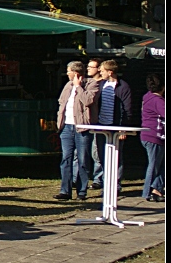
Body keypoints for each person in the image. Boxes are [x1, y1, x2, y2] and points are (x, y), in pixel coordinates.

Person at [54, 60, 99, 201]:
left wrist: (79, 87)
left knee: (83, 159)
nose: (67, 73)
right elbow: (62, 103)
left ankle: (82, 191)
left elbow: (88, 101)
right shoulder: (67, 85)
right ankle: (65, 190)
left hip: (82, 127)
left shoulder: (92, 84)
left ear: (76, 73)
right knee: (66, 158)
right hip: (66, 127)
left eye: (69, 71)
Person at [94, 59, 133, 192]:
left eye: (103, 70)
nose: (100, 72)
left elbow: (127, 109)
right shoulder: (100, 85)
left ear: (110, 72)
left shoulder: (123, 86)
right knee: (101, 154)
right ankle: (105, 180)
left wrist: (123, 129)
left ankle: (115, 184)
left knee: (116, 154)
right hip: (101, 125)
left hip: (115, 125)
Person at [140, 74, 165, 202]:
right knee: (154, 164)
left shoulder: (147, 97)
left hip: (148, 135)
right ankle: (148, 191)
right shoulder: (158, 101)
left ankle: (157, 188)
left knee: (162, 164)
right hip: (154, 135)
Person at [85, 59, 104, 188]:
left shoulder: (102, 85)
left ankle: (98, 179)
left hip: (98, 121)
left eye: (91, 67)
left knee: (96, 151)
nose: (88, 69)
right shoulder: (86, 83)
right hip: (86, 121)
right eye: (88, 66)